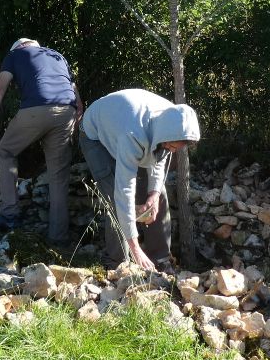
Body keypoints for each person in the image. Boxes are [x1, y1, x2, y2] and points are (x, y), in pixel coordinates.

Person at [78, 88, 200, 271]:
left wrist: (154, 194)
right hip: (95, 136)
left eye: (176, 148)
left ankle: (161, 261)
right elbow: (124, 189)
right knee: (114, 198)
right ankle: (118, 265)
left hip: (124, 127)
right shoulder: (134, 134)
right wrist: (136, 249)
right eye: (172, 146)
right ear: (166, 135)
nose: (172, 150)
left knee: (158, 198)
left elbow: (160, 158)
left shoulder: (173, 123)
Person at [0, 38, 84, 241]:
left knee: (5, 151)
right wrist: (73, 126)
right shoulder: (58, 56)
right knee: (58, 174)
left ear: (18, 47)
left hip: (36, 108)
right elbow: (78, 103)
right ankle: (58, 237)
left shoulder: (15, 55)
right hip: (67, 111)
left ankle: (9, 214)